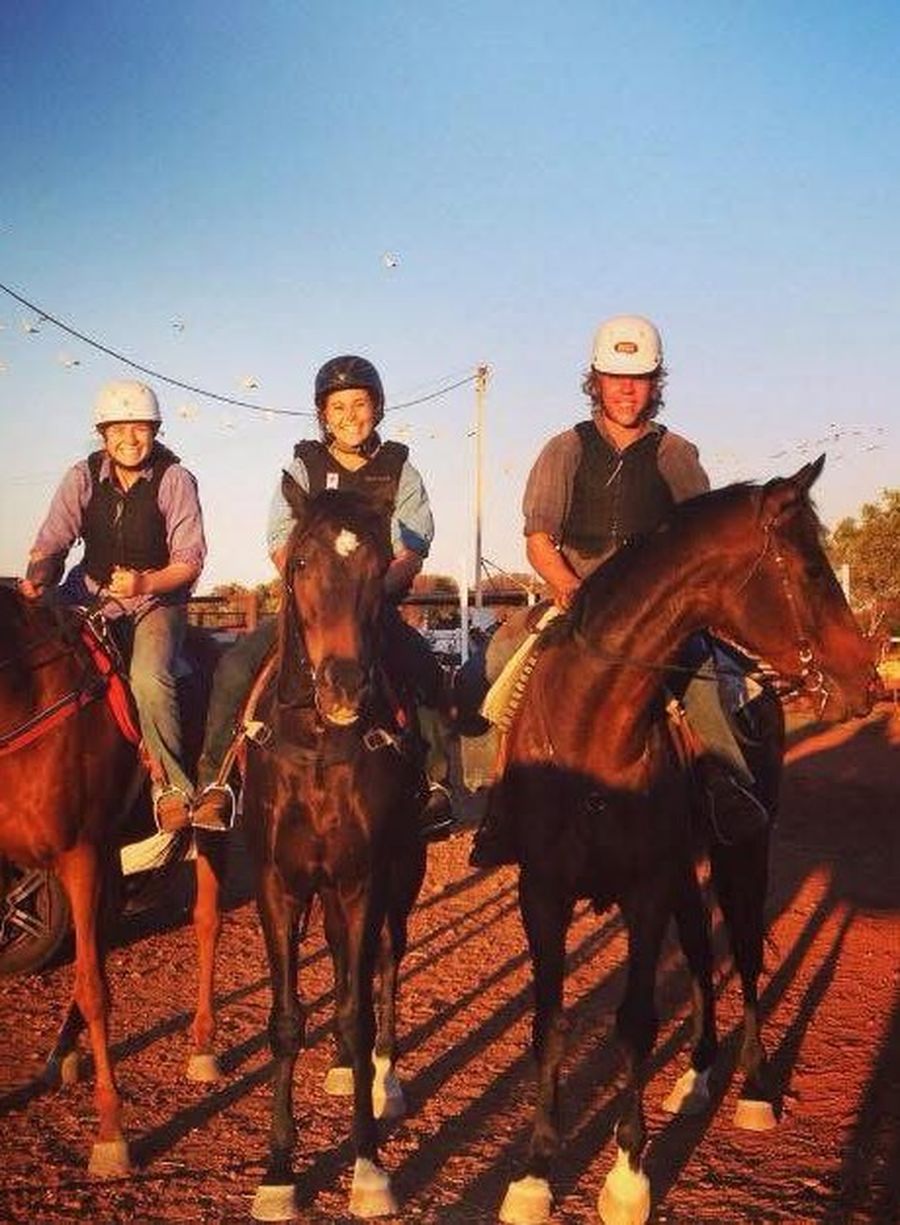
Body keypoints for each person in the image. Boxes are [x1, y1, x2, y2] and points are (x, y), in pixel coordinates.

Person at [470, 314, 769, 867]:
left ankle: (723, 786)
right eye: (615, 377)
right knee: (500, 657)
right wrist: (566, 586)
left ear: (656, 384)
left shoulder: (676, 453)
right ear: (596, 381)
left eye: (640, 378)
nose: (627, 389)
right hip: (575, 592)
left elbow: (697, 542)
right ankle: (497, 797)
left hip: (654, 607)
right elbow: (539, 537)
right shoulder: (564, 449)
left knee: (705, 677)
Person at [190, 354, 455, 839]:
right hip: (308, 612)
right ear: (323, 414)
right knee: (233, 667)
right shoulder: (303, 468)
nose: (350, 416)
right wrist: (313, 587)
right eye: (338, 407)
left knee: (421, 665)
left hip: (372, 607)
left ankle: (435, 782)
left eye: (360, 404)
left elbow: (412, 547)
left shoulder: (401, 470)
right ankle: (217, 783)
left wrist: (373, 588)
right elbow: (280, 539)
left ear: (377, 408)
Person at [20, 379, 206, 831]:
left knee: (147, 677)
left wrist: (145, 581)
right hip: (86, 597)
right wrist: (38, 577)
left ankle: (172, 787)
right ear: (103, 433)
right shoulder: (81, 476)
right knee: (35, 661)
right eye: (118, 429)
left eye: (140, 428)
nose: (129, 439)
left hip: (155, 603)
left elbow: (190, 561)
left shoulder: (174, 478)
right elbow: (53, 542)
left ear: (155, 431)